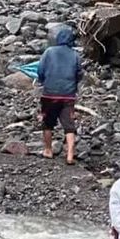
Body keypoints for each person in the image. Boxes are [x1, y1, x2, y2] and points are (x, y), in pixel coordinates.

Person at [37, 25, 82, 165]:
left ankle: (48, 150)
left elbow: (40, 70)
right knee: (69, 125)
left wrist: (44, 80)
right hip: (68, 95)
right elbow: (79, 73)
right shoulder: (75, 54)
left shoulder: (49, 52)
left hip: (49, 94)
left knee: (48, 123)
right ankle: (69, 155)